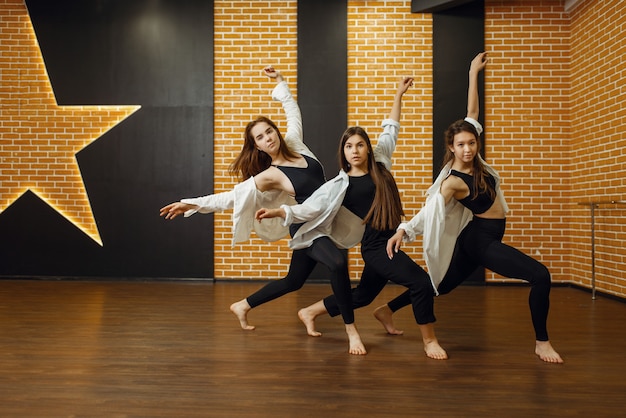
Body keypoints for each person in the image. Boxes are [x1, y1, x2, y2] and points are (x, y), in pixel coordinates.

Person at [160, 66, 365, 355]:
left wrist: (281, 83)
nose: (268, 137)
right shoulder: (269, 175)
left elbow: (293, 113)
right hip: (306, 227)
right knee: (337, 264)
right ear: (256, 146)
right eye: (260, 137)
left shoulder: (297, 144)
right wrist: (191, 204)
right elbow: (232, 197)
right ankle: (351, 331)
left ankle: (243, 305)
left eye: (269, 131)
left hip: (325, 217)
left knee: (294, 281)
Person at [375, 52, 563, 363]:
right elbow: (430, 210)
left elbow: (472, 111)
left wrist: (473, 71)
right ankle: (542, 342)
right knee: (540, 276)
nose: (467, 148)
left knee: (441, 286)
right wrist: (404, 230)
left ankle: (387, 309)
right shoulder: (453, 181)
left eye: (471, 143)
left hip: (479, 235)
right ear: (451, 147)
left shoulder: (476, 160)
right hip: (481, 240)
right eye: (460, 144)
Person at [256, 77, 448, 359]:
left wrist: (398, 94)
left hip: (391, 239)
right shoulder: (339, 184)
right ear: (343, 152)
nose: (354, 151)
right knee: (421, 283)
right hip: (375, 247)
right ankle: (430, 340)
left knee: (363, 296)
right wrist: (281, 211)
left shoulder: (381, 161)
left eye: (359, 145)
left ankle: (311, 311)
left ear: (368, 148)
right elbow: (312, 208)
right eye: (349, 147)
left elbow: (391, 128)